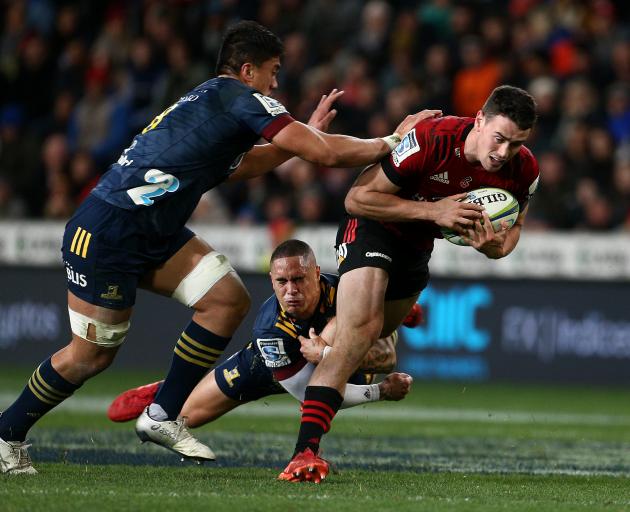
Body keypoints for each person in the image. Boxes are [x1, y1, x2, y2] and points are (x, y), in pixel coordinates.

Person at [0, 20, 431, 475]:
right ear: (249, 70)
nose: (276, 83)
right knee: (90, 356)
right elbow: (324, 153)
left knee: (226, 301)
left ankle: (162, 415)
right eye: (273, 71)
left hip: (153, 231)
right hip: (110, 231)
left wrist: (302, 140)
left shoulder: (213, 101)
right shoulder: (241, 99)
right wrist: (392, 142)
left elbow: (237, 168)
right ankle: (7, 434)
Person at [279, 85, 540, 483]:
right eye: (499, 138)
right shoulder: (432, 139)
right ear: (480, 120)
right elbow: (357, 199)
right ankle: (304, 453)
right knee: (358, 330)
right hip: (371, 228)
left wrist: (493, 249)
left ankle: (371, 309)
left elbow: (513, 229)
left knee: (377, 347)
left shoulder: (525, 171)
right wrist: (434, 210)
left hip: (416, 248)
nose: (504, 153)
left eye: (516, 144)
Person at [107, 240, 420, 439]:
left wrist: (330, 351)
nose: (291, 289)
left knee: (359, 333)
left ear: (317, 274)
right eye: (282, 282)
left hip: (330, 360)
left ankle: (175, 387)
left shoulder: (344, 291)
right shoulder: (270, 329)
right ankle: (170, 388)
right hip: (266, 368)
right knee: (188, 417)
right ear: (272, 281)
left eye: (299, 279)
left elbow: (384, 345)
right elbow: (312, 394)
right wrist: (380, 391)